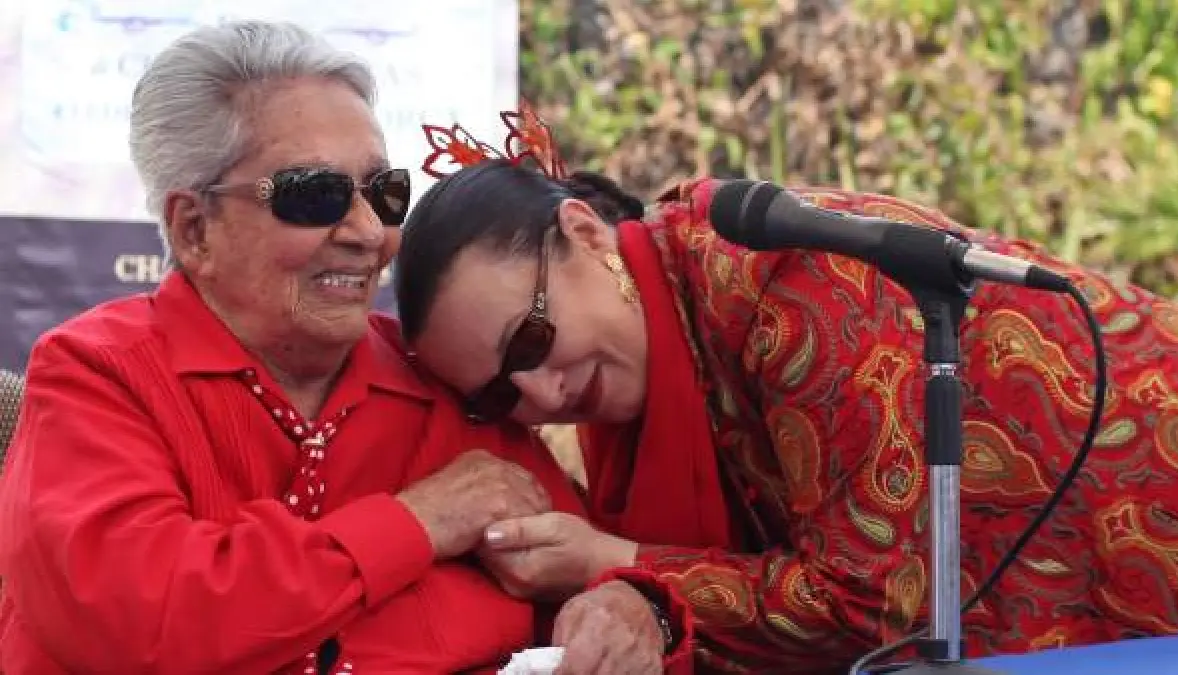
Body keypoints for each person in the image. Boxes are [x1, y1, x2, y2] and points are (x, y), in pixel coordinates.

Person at [394, 105, 1178, 673]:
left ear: (584, 232)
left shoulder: (790, 289)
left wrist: (613, 560)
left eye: (530, 340)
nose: (541, 393)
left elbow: (875, 609)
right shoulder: (653, 351)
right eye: (498, 396)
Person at [0, 23, 694, 674]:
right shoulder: (99, 374)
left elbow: (589, 567)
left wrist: (634, 609)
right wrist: (417, 520)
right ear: (194, 230)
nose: (368, 232)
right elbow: (136, 614)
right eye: (317, 195)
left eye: (383, 193)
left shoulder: (442, 384)